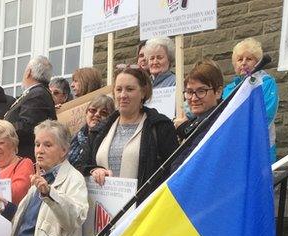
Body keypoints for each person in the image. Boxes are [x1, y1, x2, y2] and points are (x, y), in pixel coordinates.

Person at [83, 67, 178, 201]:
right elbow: (82, 165)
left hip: (143, 210)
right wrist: (94, 170)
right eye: (119, 89)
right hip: (102, 212)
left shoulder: (160, 126)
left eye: (129, 89)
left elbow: (172, 171)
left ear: (143, 92)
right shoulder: (99, 129)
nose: (123, 95)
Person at [223, 38, 279, 161]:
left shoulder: (266, 83)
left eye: (249, 59)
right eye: (239, 59)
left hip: (259, 148)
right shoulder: (229, 89)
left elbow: (266, 114)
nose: (243, 63)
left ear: (257, 62)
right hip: (234, 149)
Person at [172, 61, 225, 167]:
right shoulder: (200, 121)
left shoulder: (218, 124)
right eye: (190, 92)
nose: (194, 98)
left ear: (218, 92)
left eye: (201, 91)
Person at [4, 56, 58, 162]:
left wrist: (2, 132)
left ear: (28, 72)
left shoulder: (37, 95)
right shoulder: (37, 93)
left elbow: (26, 126)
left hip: (25, 158)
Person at [67, 95, 114, 171]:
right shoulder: (74, 138)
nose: (97, 114)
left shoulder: (108, 141)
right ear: (86, 113)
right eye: (93, 110)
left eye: (104, 113)